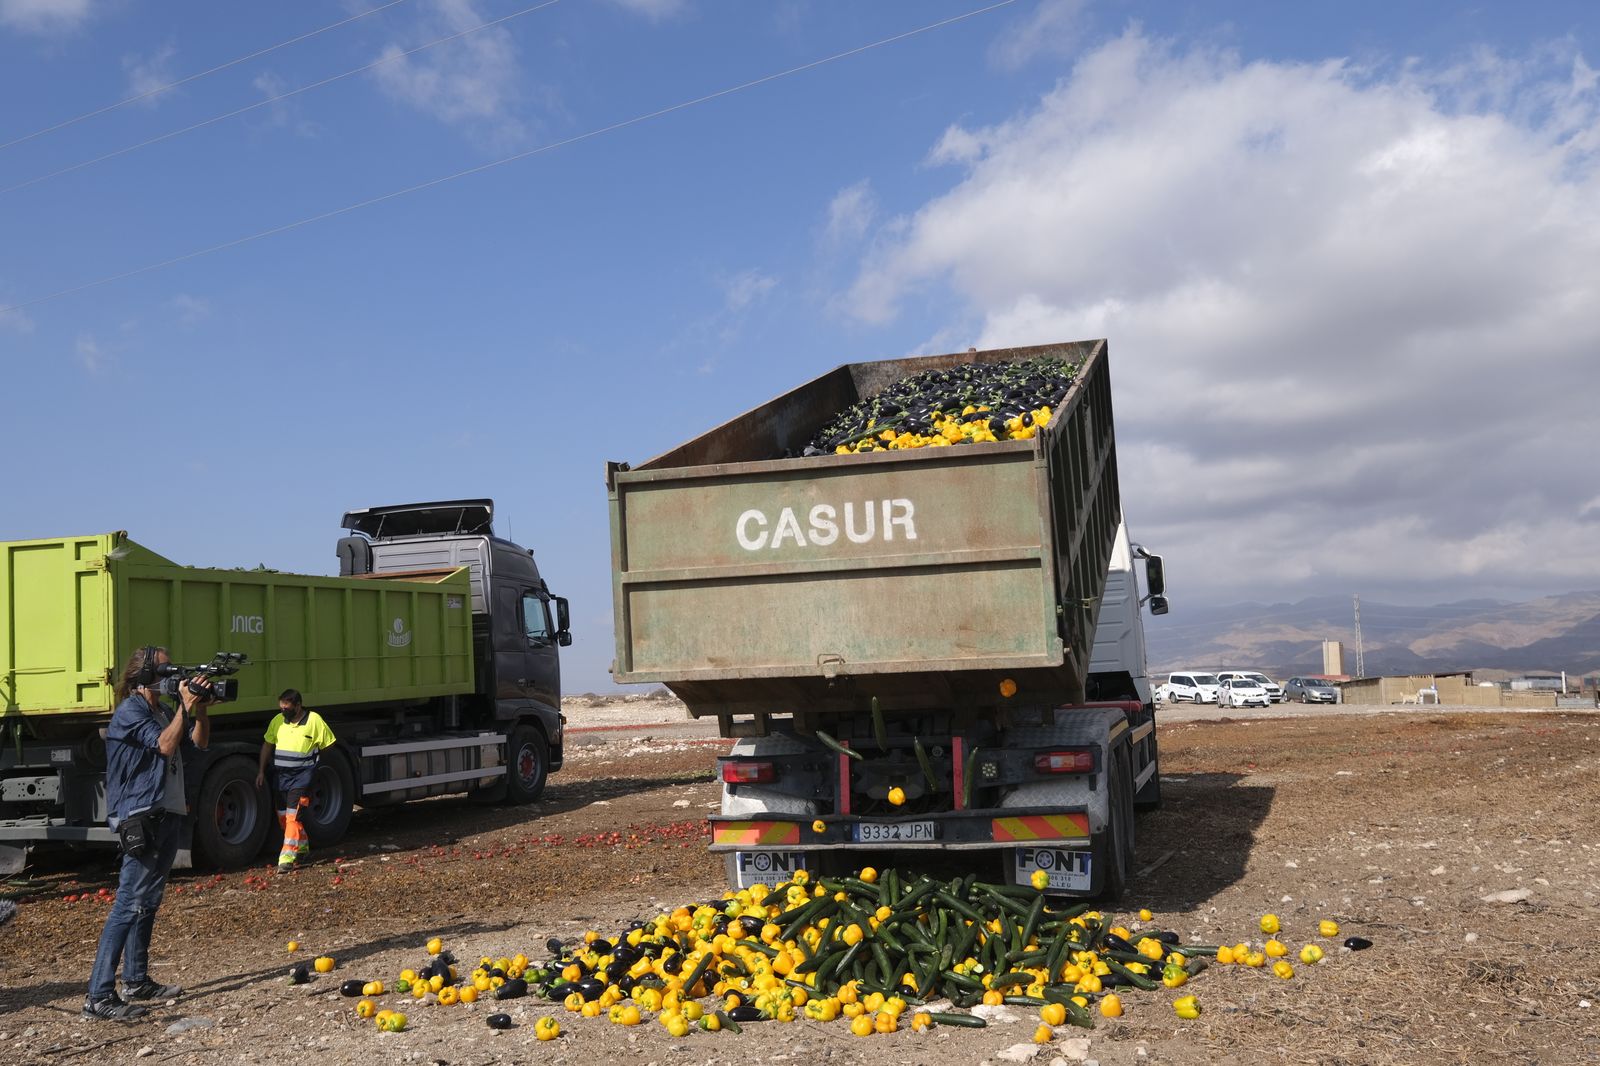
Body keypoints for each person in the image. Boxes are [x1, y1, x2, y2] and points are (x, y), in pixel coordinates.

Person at [85, 645, 212, 1021]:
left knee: (148, 901)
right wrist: (185, 706)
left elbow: (199, 744)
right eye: (165, 670)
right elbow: (164, 745)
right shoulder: (130, 711)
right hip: (141, 815)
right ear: (143, 676)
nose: (172, 676)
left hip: (167, 812)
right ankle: (98, 995)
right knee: (127, 904)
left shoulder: (163, 711)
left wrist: (200, 710)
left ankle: (136, 980)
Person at [256, 689, 335, 874]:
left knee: (293, 817)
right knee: (284, 817)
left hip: (303, 778)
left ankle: (286, 858)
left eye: (287, 707)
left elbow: (329, 744)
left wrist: (313, 763)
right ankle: (302, 846)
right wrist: (261, 771)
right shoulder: (277, 721)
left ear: (298, 706)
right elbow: (267, 745)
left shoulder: (314, 720)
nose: (283, 711)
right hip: (281, 777)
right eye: (281, 707)